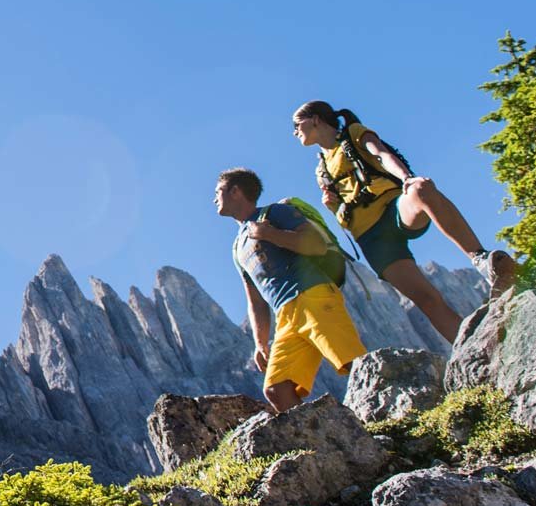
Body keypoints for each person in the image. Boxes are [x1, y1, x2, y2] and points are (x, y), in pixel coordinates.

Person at [291, 101, 517, 344]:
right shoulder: (321, 170)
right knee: (427, 300)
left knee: (421, 188)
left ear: (315, 119)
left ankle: (482, 260)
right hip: (370, 237)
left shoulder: (353, 134)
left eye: (297, 125)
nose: (295, 132)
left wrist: (407, 178)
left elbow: (381, 154)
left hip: (394, 210)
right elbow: (343, 219)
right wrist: (331, 205)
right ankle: (476, 347)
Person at [215, 167, 366, 413]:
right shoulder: (237, 247)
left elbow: (316, 245)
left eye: (218, 191)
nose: (214, 198)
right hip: (285, 315)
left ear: (235, 191)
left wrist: (270, 234)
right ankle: (327, 444)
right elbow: (255, 298)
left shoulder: (276, 213)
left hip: (313, 294)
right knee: (277, 389)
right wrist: (260, 343)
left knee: (355, 362)